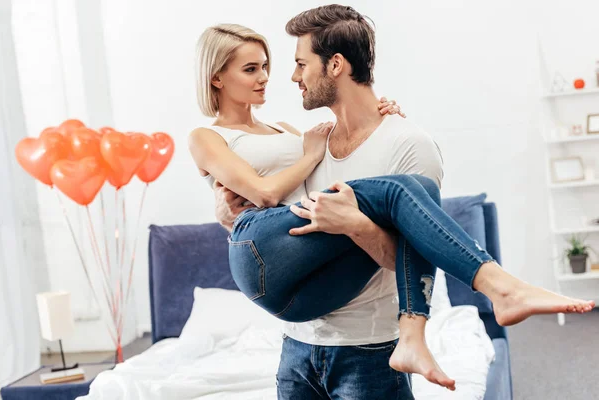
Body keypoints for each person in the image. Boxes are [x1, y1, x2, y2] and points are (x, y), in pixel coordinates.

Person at [193, 6, 595, 398]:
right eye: (253, 68)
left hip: (351, 339)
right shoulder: (309, 142)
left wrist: (354, 224)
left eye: (300, 63)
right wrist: (227, 214)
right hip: (289, 328)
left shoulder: (404, 144)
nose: (288, 76)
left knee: (406, 190)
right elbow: (266, 198)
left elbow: (407, 251)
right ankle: (495, 290)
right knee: (398, 190)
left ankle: (421, 330)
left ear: (335, 65)